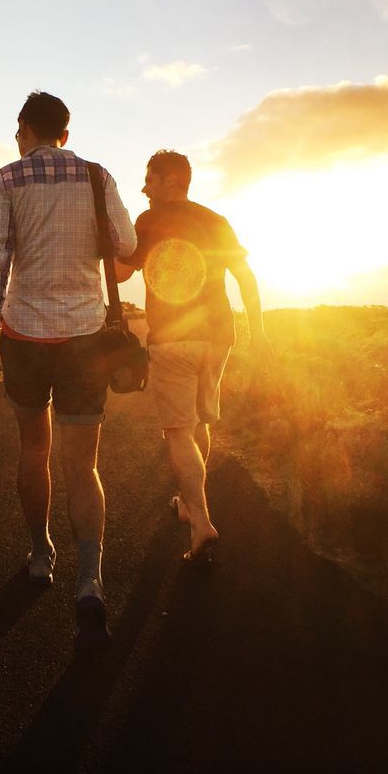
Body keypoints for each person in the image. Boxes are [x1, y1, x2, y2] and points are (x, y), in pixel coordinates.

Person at [0, 91, 136, 655]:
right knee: (82, 464)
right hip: (86, 337)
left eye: (18, 132)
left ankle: (41, 553)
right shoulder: (96, 176)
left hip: (25, 337)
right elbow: (126, 246)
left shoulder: (7, 179)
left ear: (25, 129)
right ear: (64, 133)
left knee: (32, 448)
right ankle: (90, 578)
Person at [116, 150, 268, 565]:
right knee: (199, 420)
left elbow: (119, 273)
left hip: (172, 340)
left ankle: (200, 522)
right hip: (220, 336)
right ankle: (188, 501)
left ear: (171, 180)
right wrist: (259, 331)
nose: (144, 188)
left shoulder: (150, 220)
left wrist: (107, 240)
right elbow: (246, 278)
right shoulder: (216, 220)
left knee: (178, 431)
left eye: (150, 179)